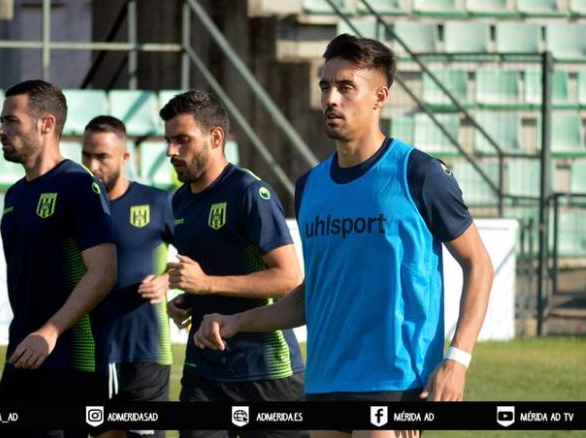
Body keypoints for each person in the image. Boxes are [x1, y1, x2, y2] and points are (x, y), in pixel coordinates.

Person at [193, 34, 494, 438]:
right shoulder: (310, 186)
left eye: (346, 87)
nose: (331, 98)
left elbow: (479, 264)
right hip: (324, 382)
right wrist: (235, 322)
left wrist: (457, 359)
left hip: (395, 382)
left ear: (379, 96)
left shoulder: (418, 174)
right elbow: (309, 298)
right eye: (325, 86)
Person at [161, 89, 308, 438]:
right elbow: (215, 272)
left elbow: (288, 277)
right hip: (203, 372)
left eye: (182, 140)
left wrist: (206, 284)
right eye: (168, 141)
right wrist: (189, 300)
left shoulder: (248, 193)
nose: (171, 152)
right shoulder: (179, 202)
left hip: (265, 372)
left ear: (215, 137)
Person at [0, 80, 117, 437]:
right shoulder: (15, 195)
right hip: (21, 356)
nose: (1, 131)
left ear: (46, 124)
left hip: (70, 364)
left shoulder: (79, 186)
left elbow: (104, 271)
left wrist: (49, 332)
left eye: (11, 121)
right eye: (1, 121)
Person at [82, 115, 174, 438]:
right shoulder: (81, 209)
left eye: (102, 157)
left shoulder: (158, 202)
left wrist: (167, 280)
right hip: (95, 352)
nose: (93, 165)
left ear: (124, 157)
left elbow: (198, 257)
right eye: (87, 156)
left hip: (145, 352)